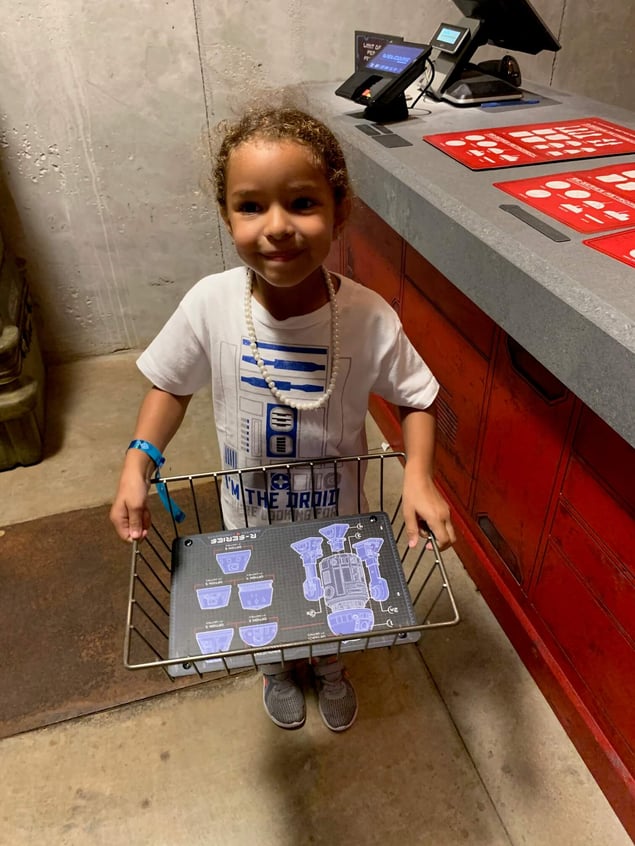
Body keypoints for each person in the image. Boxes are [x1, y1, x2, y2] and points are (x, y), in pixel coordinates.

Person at [110, 104, 455, 733]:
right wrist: (140, 460)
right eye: (250, 207)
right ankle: (274, 670)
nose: (277, 227)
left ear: (340, 210)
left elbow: (416, 395)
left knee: (336, 602)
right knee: (264, 609)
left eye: (302, 203)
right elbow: (171, 384)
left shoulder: (367, 315)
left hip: (338, 515)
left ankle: (330, 670)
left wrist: (419, 478)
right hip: (252, 514)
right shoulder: (211, 305)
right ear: (226, 215)